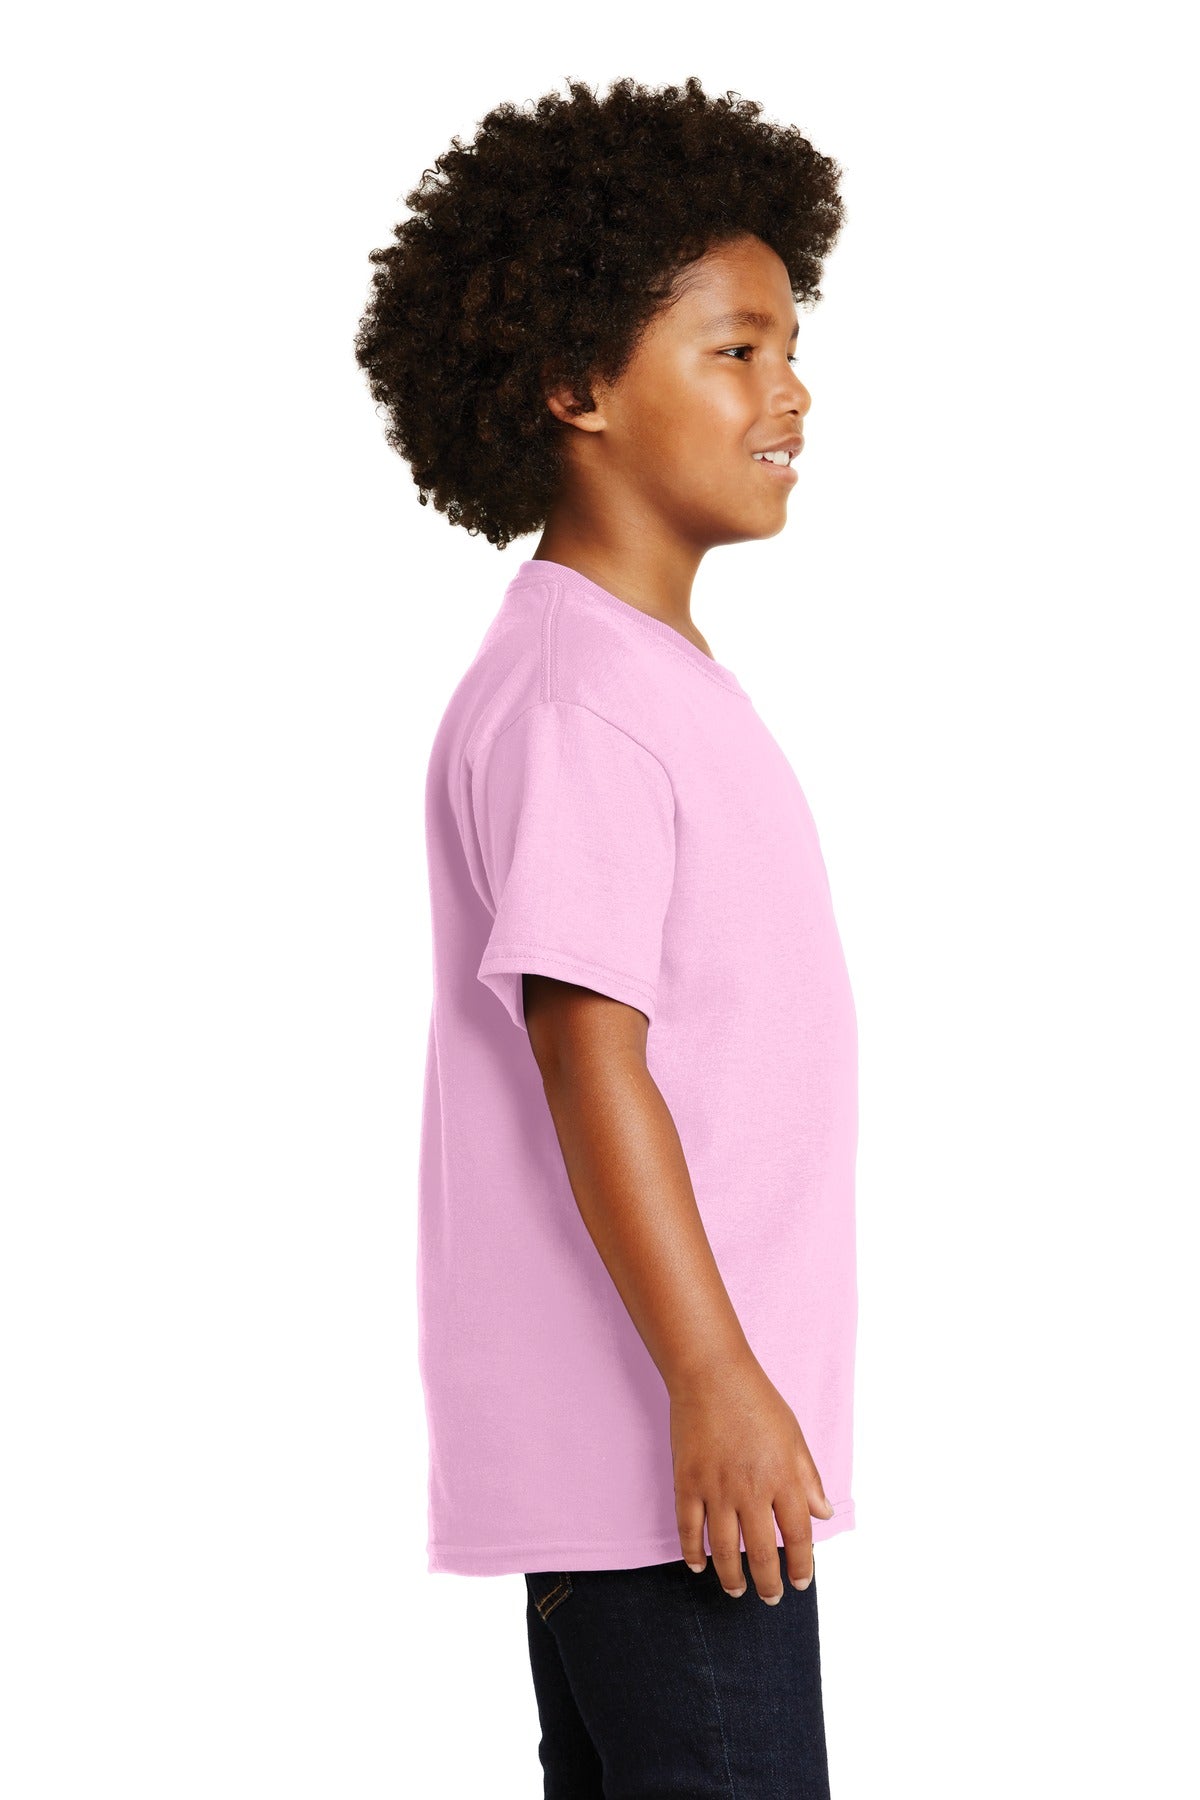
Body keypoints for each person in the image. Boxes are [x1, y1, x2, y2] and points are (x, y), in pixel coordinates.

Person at [355, 74, 858, 1799]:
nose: (790, 389)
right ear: (575, 385)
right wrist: (715, 1377)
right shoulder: (581, 699)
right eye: (735, 348)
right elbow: (591, 1053)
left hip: (671, 1477)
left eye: (791, 345)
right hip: (668, 1474)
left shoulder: (638, 678)